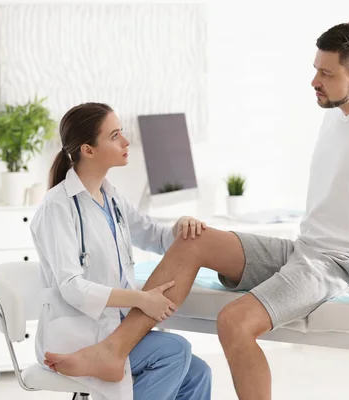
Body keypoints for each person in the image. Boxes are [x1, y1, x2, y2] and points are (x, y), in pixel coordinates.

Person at [43, 22, 349, 400]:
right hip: (305, 250)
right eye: (315, 69)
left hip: (346, 266)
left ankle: (113, 350)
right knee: (193, 241)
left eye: (326, 74)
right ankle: (114, 351)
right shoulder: (335, 116)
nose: (314, 81)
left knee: (234, 321)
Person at [29, 102, 212, 400]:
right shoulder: (57, 207)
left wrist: (181, 226)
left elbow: (154, 236)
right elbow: (72, 287)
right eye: (115, 136)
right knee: (175, 351)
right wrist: (141, 299)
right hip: (77, 336)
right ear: (88, 149)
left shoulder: (111, 197)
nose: (126, 142)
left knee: (198, 373)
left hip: (114, 329)